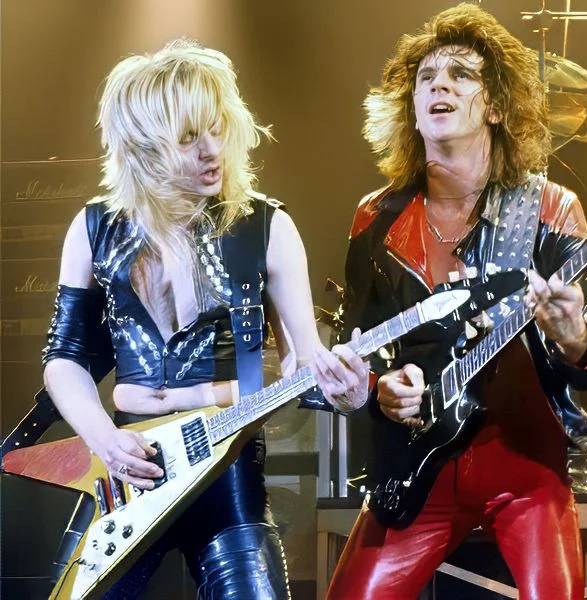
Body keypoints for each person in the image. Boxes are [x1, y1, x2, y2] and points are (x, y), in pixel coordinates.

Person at [41, 39, 369, 599]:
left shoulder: (266, 226)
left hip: (226, 468)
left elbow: (304, 361)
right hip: (126, 467)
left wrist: (348, 393)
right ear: (144, 146)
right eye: (189, 138)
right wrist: (103, 439)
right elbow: (63, 356)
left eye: (217, 128)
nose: (212, 150)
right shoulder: (94, 229)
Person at [327, 4, 587, 599]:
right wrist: (381, 389)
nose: (440, 85)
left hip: (526, 469)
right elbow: (360, 343)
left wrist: (572, 337)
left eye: (461, 74)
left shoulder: (549, 207)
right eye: (427, 78)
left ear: (497, 106)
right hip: (416, 469)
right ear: (410, 107)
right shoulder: (375, 216)